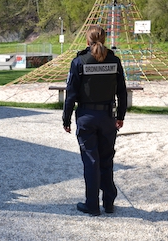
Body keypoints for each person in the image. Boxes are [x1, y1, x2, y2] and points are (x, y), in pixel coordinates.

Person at [62, 25, 127, 216]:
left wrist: (66, 119)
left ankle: (92, 204)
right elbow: (122, 92)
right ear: (104, 39)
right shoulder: (114, 61)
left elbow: (71, 95)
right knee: (106, 159)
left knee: (91, 161)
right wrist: (121, 116)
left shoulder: (79, 61)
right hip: (108, 117)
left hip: (86, 117)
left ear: (87, 40)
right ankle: (108, 203)